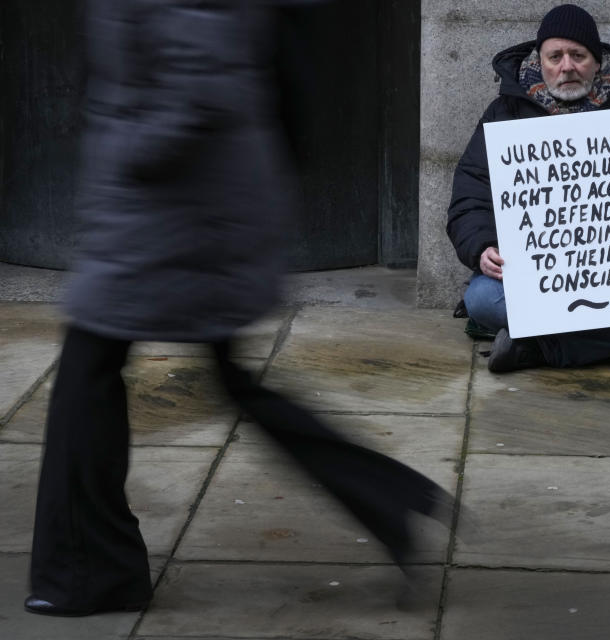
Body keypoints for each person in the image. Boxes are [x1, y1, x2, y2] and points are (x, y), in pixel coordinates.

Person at [25, 0, 451, 617]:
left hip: (172, 211)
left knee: (86, 379)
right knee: (216, 379)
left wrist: (127, 153)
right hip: (183, 204)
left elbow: (196, 76)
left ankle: (89, 573)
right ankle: (394, 502)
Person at [447, 4, 610, 373]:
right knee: (482, 299)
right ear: (541, 61)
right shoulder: (504, 113)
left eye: (578, 55)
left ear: (596, 62)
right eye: (556, 56)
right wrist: (483, 247)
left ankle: (538, 351)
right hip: (531, 277)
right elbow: (470, 194)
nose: (567, 66)